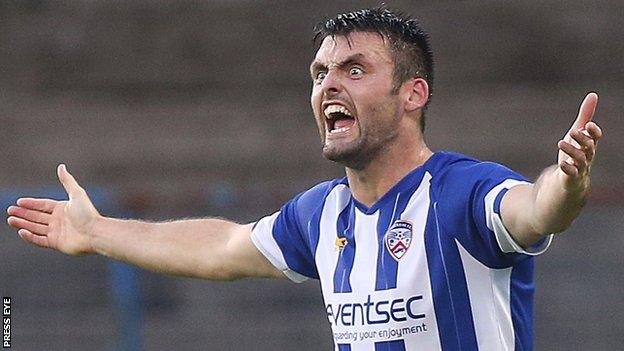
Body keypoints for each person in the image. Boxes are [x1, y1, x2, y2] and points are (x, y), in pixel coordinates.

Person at [6, 7, 602, 351]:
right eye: (320, 73)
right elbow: (221, 247)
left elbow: (531, 209)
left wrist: (566, 184)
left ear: (412, 94)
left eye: (354, 68)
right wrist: (97, 232)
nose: (328, 85)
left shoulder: (462, 193)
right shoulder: (321, 216)